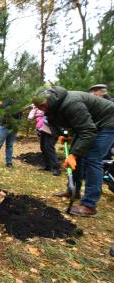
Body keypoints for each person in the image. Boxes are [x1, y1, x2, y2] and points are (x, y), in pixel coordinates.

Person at [32, 86, 114, 216]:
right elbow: (58, 124)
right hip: (89, 125)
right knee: (77, 155)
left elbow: (88, 131)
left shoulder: (71, 103)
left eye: (42, 105)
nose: (41, 109)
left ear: (50, 99)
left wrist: (74, 155)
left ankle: (89, 205)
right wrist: (62, 135)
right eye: (38, 107)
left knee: (92, 158)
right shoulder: (51, 108)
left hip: (108, 122)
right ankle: (74, 191)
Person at [27, 105, 60, 176]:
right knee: (43, 147)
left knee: (49, 147)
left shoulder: (54, 107)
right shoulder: (44, 107)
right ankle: (48, 166)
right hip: (44, 129)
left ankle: (56, 168)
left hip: (53, 130)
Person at [0, 99, 22, 168]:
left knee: (10, 145)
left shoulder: (19, 102)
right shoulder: (5, 101)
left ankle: (9, 162)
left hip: (13, 127)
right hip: (3, 126)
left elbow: (20, 115)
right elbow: (6, 112)